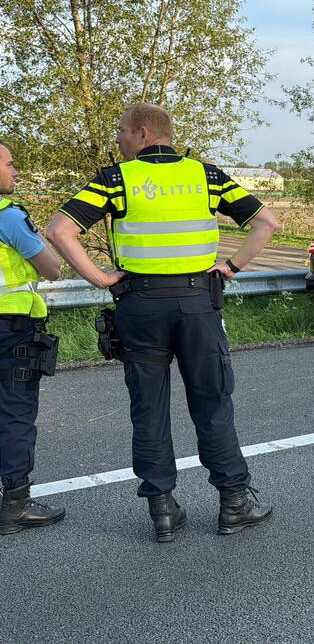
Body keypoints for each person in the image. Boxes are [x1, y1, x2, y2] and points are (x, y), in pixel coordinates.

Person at [46, 104, 281, 542]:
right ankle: (234, 502)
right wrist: (230, 266)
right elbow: (267, 222)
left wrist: (98, 278)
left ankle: (163, 510)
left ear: (141, 131)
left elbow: (60, 230)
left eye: (120, 131)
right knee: (212, 402)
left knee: (148, 408)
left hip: (140, 306)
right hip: (197, 304)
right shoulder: (207, 176)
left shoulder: (117, 178)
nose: (117, 138)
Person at [0, 142, 66, 534]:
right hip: (9, 331)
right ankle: (16, 504)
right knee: (14, 414)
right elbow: (53, 268)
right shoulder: (7, 217)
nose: (16, 172)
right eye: (9, 164)